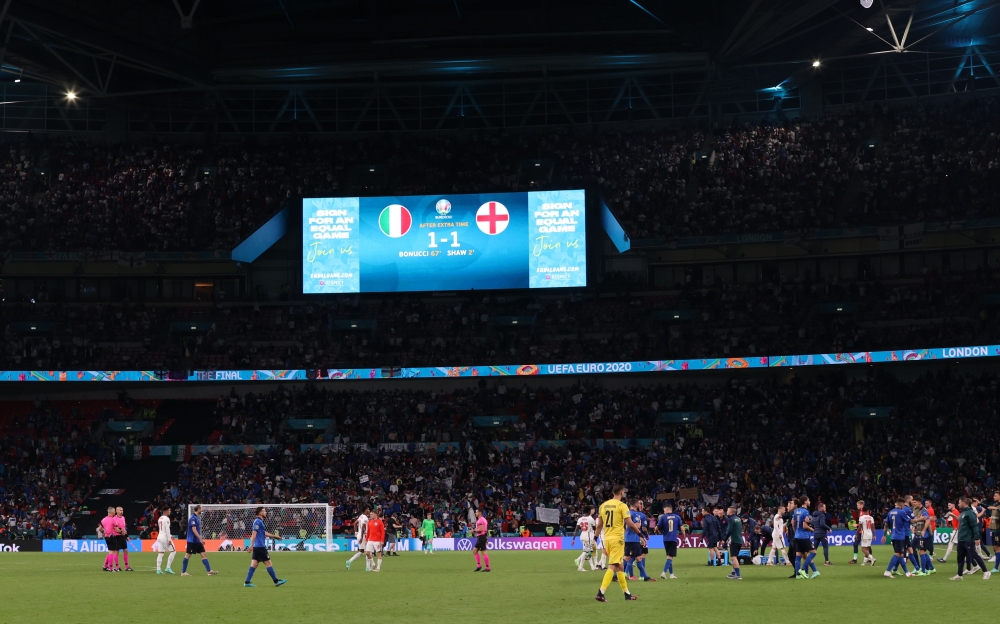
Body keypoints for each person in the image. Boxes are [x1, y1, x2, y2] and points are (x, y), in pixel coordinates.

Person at [594, 484, 641, 602]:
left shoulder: (603, 505)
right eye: (623, 492)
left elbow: (599, 525)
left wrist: (595, 538)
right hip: (617, 539)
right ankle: (601, 592)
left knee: (620, 567)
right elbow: (630, 524)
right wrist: (640, 535)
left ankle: (627, 594)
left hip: (607, 539)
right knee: (613, 565)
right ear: (621, 493)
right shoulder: (622, 506)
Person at [244, 507, 287, 587]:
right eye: (264, 511)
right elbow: (254, 533)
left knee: (254, 564)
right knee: (268, 563)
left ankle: (247, 582)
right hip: (260, 547)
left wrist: (276, 536)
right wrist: (251, 545)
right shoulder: (257, 521)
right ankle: (276, 581)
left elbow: (264, 533)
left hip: (257, 547)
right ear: (260, 513)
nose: (266, 512)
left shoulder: (260, 522)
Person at [952, 497, 990, 580]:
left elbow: (974, 526)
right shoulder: (963, 513)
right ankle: (959, 575)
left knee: (974, 555)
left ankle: (986, 572)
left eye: (959, 502)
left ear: (964, 503)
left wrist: (976, 538)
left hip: (968, 539)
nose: (958, 504)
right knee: (960, 557)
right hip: (961, 539)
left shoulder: (970, 513)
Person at [882, 498, 915, 578]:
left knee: (900, 554)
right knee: (897, 553)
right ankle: (887, 571)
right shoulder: (902, 512)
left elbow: (886, 524)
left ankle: (907, 572)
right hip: (900, 536)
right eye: (903, 505)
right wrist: (921, 519)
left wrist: (884, 535)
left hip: (893, 536)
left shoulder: (890, 512)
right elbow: (911, 521)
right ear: (902, 504)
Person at [182, 505, 217, 576]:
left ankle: (209, 571)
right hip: (192, 541)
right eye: (201, 509)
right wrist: (201, 539)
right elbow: (194, 530)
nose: (202, 510)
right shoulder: (192, 518)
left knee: (203, 554)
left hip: (197, 541)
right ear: (198, 509)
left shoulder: (197, 518)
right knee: (188, 555)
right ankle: (183, 572)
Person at [624, 499, 653, 582]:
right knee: (627, 558)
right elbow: (637, 525)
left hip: (632, 538)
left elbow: (624, 526)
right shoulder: (635, 514)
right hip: (633, 539)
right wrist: (643, 536)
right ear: (636, 504)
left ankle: (645, 577)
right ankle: (617, 575)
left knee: (639, 558)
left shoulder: (627, 513)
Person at [791, 497, 818, 579]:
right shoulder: (805, 512)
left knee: (798, 555)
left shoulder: (796, 511)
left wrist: (796, 532)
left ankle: (798, 575)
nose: (809, 501)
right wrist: (811, 529)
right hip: (804, 536)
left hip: (797, 536)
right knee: (813, 552)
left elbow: (793, 523)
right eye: (808, 500)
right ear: (805, 502)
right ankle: (803, 569)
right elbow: (804, 525)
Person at [656, 503, 681, 579]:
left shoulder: (663, 517)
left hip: (665, 539)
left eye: (664, 510)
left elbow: (656, 528)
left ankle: (671, 574)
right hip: (673, 539)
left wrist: (659, 532)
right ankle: (663, 572)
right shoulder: (677, 517)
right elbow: (682, 528)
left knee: (668, 557)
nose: (664, 512)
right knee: (670, 557)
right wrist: (684, 537)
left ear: (667, 510)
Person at [912, 499, 936, 575]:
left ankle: (923, 571)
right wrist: (914, 526)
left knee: (921, 551)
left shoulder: (924, 510)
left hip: (924, 534)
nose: (913, 504)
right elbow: (915, 520)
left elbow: (928, 520)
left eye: (915, 502)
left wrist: (924, 530)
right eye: (912, 502)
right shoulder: (915, 509)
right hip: (917, 532)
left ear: (919, 502)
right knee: (915, 549)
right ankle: (931, 568)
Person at [572, 507, 598, 572]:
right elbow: (594, 528)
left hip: (582, 536)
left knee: (586, 550)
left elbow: (576, 529)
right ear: (589, 511)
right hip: (588, 537)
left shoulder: (580, 519)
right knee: (587, 551)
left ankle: (589, 566)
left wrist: (573, 539)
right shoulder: (590, 519)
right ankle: (580, 566)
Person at [346, 506, 369, 570]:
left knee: (361, 551)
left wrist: (356, 532)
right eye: (368, 509)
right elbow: (363, 528)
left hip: (359, 535)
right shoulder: (365, 518)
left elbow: (355, 523)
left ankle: (349, 561)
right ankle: (367, 567)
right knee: (368, 551)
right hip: (363, 536)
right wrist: (362, 536)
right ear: (365, 510)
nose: (369, 511)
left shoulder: (360, 516)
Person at [155, 508, 177, 575]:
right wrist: (169, 539)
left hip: (159, 537)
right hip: (165, 538)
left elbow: (162, 529)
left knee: (161, 553)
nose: (170, 511)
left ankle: (158, 570)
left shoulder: (160, 518)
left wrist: (170, 535)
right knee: (173, 551)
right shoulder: (167, 519)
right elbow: (167, 530)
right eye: (169, 510)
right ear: (166, 511)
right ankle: (168, 567)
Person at [724, 506, 743, 580]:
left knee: (733, 557)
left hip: (734, 540)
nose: (727, 511)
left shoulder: (731, 519)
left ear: (731, 512)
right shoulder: (738, 519)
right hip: (739, 540)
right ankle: (733, 573)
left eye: (728, 510)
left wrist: (724, 539)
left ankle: (738, 575)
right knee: (735, 557)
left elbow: (729, 531)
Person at [115, 507, 132, 572]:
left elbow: (123, 528)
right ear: (116, 511)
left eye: (122, 510)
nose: (122, 511)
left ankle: (127, 566)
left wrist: (127, 536)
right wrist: (121, 532)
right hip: (117, 536)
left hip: (123, 536)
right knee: (117, 551)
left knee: (126, 550)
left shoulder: (123, 518)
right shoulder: (114, 518)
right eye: (120, 510)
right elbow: (115, 528)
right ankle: (117, 566)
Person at [100, 507, 118, 572]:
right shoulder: (113, 520)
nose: (115, 512)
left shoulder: (103, 519)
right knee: (112, 551)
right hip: (112, 536)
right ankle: (111, 568)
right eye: (114, 511)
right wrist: (121, 532)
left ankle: (105, 566)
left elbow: (100, 529)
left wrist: (104, 532)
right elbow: (116, 529)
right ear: (110, 512)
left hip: (106, 536)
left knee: (110, 551)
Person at [988, 492, 1000, 573]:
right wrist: (980, 503)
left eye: (995, 495)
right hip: (993, 529)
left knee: (997, 548)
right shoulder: (995, 504)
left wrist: (997, 509)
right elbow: (988, 507)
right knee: (994, 548)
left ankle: (996, 567)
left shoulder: (997, 507)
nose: (993, 497)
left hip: (998, 530)